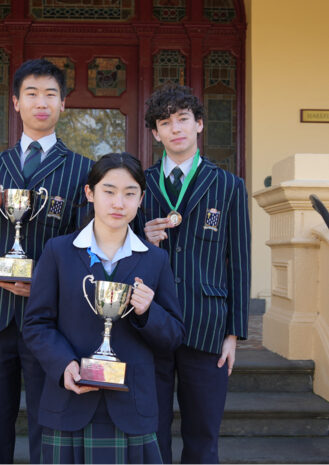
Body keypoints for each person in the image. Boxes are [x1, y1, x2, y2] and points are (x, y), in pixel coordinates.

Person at [0, 58, 93, 464]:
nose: (41, 102)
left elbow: (84, 248)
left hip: (49, 317)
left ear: (63, 103)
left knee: (47, 421)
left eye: (50, 94)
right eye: (31, 94)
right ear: (16, 102)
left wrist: (45, 283)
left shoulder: (82, 169)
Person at [23, 153, 185, 464]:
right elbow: (36, 323)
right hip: (70, 401)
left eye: (129, 193)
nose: (118, 203)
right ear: (90, 193)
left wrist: (148, 312)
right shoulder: (59, 251)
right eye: (109, 191)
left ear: (140, 199)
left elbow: (174, 336)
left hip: (132, 406)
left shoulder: (155, 259)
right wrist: (64, 364)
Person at [134, 84, 251, 464]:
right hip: (152, 323)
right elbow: (119, 253)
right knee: (151, 433)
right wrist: (142, 239)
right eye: (165, 122)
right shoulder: (140, 185)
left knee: (203, 436)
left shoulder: (229, 185)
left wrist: (233, 333)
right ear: (156, 133)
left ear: (199, 124)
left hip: (208, 327)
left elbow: (239, 262)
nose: (176, 128)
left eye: (183, 119)